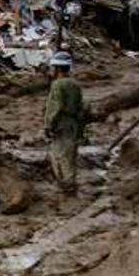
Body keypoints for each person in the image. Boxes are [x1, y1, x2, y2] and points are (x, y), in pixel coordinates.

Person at [43, 50, 85, 194]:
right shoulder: (75, 84)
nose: (50, 70)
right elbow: (82, 106)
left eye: (52, 67)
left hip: (61, 123)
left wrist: (49, 125)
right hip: (73, 123)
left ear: (58, 68)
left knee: (60, 155)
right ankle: (70, 183)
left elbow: (56, 107)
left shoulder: (58, 85)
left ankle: (66, 186)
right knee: (70, 154)